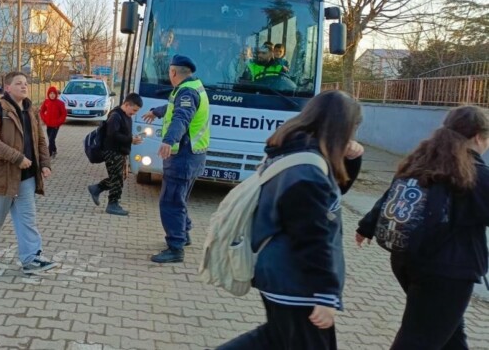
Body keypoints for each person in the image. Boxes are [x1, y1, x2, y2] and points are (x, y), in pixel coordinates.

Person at [216, 90, 364, 350]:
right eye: (353, 128)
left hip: (282, 274)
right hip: (296, 282)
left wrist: (351, 161)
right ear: (340, 127)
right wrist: (325, 294)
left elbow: (332, 195)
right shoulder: (307, 171)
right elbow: (312, 238)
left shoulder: (295, 152)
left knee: (274, 340)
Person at [355, 106, 489, 350]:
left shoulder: (420, 159)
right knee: (419, 340)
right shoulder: (477, 175)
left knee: (449, 335)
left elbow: (392, 195)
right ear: (479, 138)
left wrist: (366, 226)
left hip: (407, 259)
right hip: (447, 272)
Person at [0, 71, 58, 274]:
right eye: (19, 83)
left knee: (27, 218)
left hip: (27, 177)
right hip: (1, 174)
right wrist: (17, 157)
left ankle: (31, 258)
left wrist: (45, 163)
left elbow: (40, 140)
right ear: (7, 87)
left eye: (25, 83)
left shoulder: (31, 111)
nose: (24, 86)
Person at [141, 54, 210, 263]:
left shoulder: (187, 91)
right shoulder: (193, 87)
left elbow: (182, 117)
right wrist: (157, 111)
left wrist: (168, 141)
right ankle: (184, 234)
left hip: (183, 157)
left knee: (170, 201)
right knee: (179, 199)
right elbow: (174, 108)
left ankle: (176, 247)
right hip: (194, 156)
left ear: (173, 72)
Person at [87, 93, 144, 216]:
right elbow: (112, 135)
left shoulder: (125, 116)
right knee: (117, 178)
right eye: (134, 110)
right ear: (127, 104)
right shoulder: (115, 116)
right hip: (112, 152)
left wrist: (132, 138)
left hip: (120, 152)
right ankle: (112, 204)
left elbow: (123, 134)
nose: (134, 113)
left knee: (119, 177)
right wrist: (130, 140)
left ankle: (96, 188)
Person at [39, 86, 67, 158]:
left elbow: (63, 114)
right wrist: (44, 119)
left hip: (56, 125)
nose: (52, 95)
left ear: (56, 94)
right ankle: (54, 150)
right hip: (48, 124)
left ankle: (49, 153)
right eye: (50, 93)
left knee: (51, 139)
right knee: (50, 139)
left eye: (53, 93)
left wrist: (59, 122)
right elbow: (42, 111)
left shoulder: (60, 103)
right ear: (48, 94)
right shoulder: (46, 102)